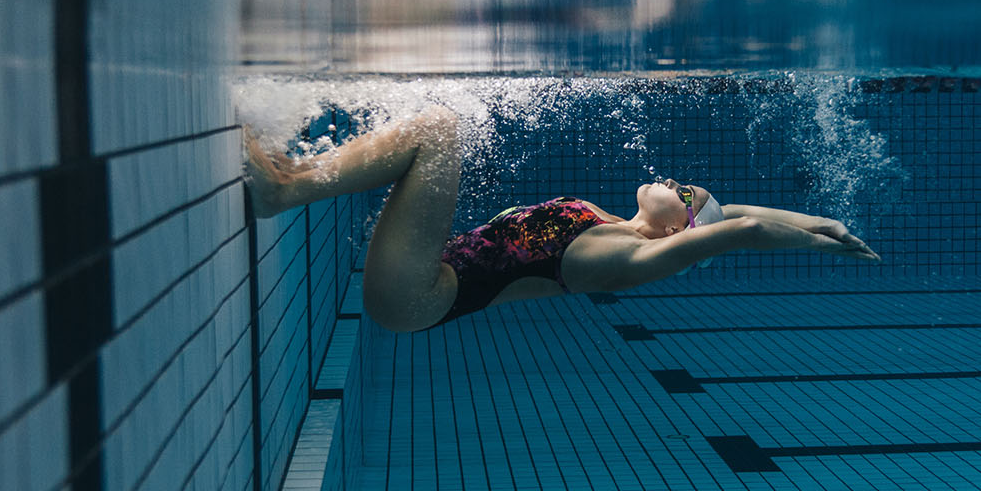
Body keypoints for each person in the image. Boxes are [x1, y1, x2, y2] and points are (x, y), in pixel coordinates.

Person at [243, 106, 879, 333]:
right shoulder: (612, 220)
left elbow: (733, 229)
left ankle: (282, 190)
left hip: (417, 296)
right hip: (427, 272)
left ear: (675, 232)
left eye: (681, 193)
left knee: (438, 129)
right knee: (436, 129)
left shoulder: (626, 259)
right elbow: (731, 212)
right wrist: (820, 218)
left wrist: (822, 249)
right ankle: (291, 175)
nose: (673, 182)